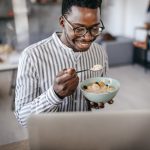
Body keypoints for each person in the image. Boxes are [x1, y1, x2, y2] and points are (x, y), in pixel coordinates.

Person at [15, 0, 111, 127]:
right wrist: (55, 94)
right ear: (62, 22)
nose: (88, 37)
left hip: (86, 132)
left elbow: (101, 88)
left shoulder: (99, 52)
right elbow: (23, 118)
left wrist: (99, 98)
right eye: (79, 29)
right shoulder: (32, 57)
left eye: (95, 28)